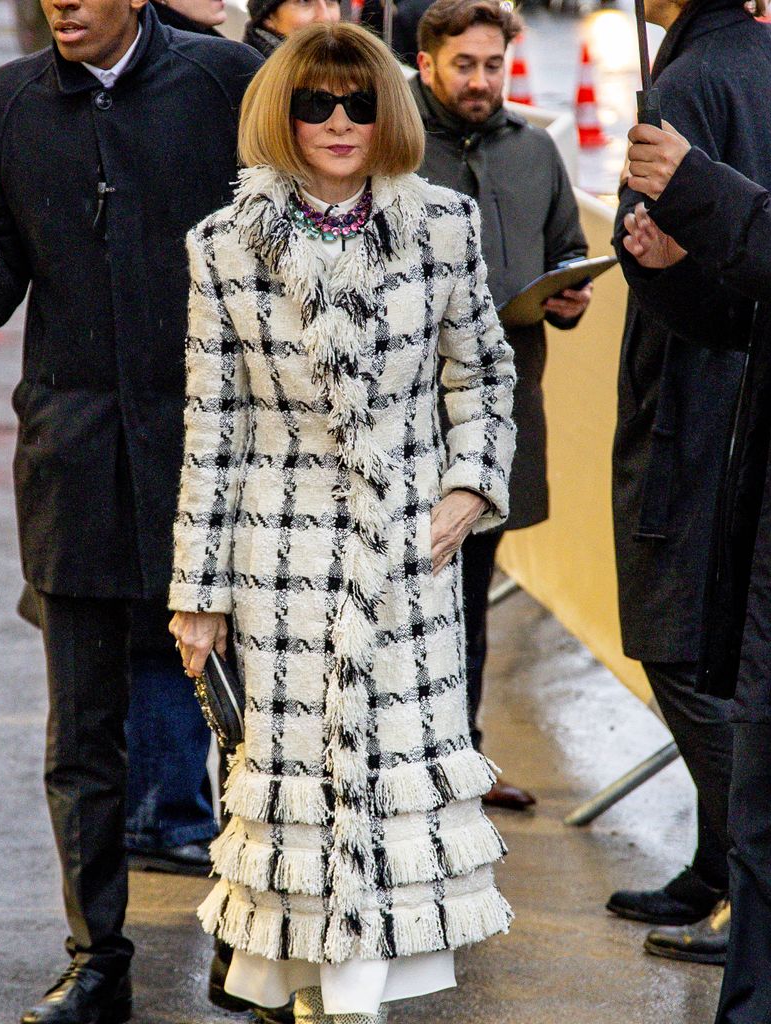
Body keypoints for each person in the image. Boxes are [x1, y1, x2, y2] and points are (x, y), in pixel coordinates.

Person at [169, 22, 517, 1023]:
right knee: (299, 802)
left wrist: (466, 487)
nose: (335, 122)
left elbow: (483, 374)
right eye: (314, 103)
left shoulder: (443, 226)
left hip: (408, 566)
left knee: (386, 790)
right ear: (280, 114)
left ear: (389, 114)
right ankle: (321, 999)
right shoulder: (223, 250)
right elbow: (211, 428)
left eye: (358, 103)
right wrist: (196, 597)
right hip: (275, 570)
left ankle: (355, 1000)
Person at [0, 0, 262, 1019]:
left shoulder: (225, 83)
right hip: (73, 465)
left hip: (212, 461)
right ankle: (96, 957)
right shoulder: (6, 103)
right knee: (83, 736)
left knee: (251, 719)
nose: (62, 5)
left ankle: (255, 933)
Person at [608, 0, 771, 964]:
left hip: (703, 400)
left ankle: (756, 888)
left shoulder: (687, 84)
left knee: (683, 647)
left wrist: (652, 258)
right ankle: (718, 867)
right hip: (760, 387)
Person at [410, 0, 590, 810]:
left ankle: (463, 761)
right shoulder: (391, 149)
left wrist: (570, 291)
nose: (481, 81)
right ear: (426, 63)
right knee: (406, 604)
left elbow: (565, 250)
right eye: (464, 66)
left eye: (493, 65)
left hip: (501, 411)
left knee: (471, 603)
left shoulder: (534, 151)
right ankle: (402, 764)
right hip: (404, 420)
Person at [242, 0, 339, 58]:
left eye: (331, 0)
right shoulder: (238, 81)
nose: (325, 17)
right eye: (303, 1)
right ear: (268, 18)